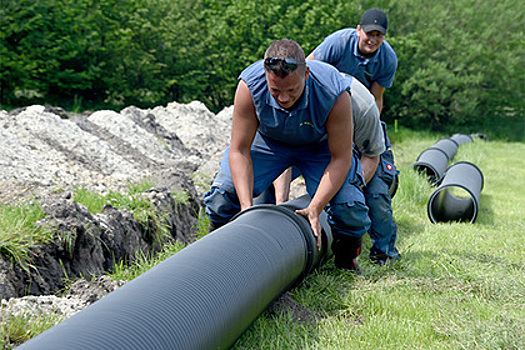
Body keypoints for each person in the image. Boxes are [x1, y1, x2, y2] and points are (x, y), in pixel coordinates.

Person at [203, 39, 371, 272]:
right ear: (265, 77)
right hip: (269, 144)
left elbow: (341, 158)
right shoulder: (249, 86)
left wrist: (315, 207)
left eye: (291, 90)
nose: (283, 98)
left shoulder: (333, 91)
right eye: (275, 91)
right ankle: (215, 255)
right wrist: (245, 208)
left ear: (306, 75)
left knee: (349, 208)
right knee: (222, 196)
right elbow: (239, 150)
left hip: (318, 147)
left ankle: (345, 260)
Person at [274, 8, 401, 265]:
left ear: (385, 37)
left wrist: (347, 189)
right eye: (369, 33)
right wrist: (280, 205)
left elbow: (377, 98)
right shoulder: (338, 43)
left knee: (376, 195)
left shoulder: (387, 60)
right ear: (358, 30)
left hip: (363, 120)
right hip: (326, 117)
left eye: (379, 35)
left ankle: (384, 253)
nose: (373, 39)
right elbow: (304, 71)